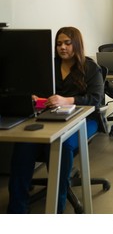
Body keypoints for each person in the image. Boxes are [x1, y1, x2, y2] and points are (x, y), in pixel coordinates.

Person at [7, 26, 105, 213]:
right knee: (24, 145)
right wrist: (35, 98)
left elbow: (96, 99)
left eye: (67, 43)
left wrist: (67, 100)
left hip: (85, 120)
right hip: (50, 118)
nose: (63, 47)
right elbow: (37, 90)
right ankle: (16, 210)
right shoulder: (49, 65)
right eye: (59, 44)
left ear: (76, 44)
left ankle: (56, 209)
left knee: (63, 145)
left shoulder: (90, 67)